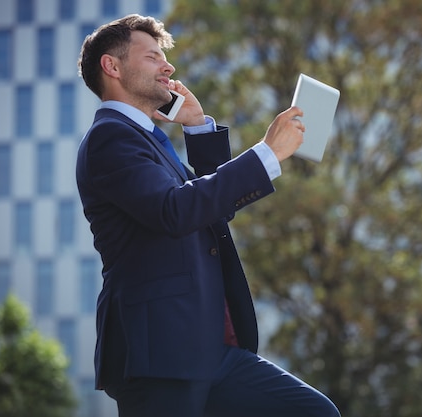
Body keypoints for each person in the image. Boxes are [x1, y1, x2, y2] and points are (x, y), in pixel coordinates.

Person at [76, 14, 340, 417]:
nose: (168, 67)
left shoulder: (149, 139)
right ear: (112, 67)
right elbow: (175, 210)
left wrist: (198, 128)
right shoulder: (109, 137)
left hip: (208, 348)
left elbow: (207, 213)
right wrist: (266, 153)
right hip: (159, 352)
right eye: (151, 57)